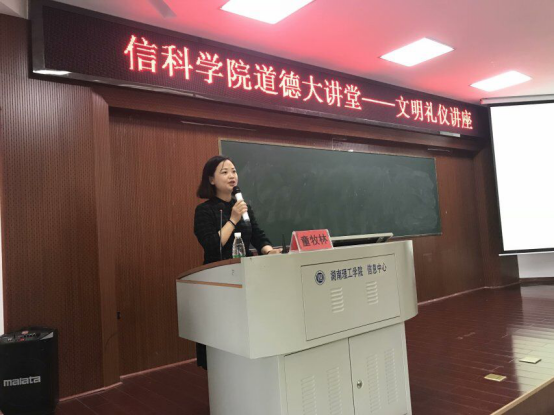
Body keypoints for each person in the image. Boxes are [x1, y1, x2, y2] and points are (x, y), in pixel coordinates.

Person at [193, 155, 282, 369]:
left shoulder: (242, 207)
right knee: (222, 331)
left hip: (246, 276)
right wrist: (233, 219)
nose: (231, 176)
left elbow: (257, 235)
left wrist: (269, 250)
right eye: (224, 172)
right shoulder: (204, 211)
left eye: (233, 171)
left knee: (245, 329)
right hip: (218, 279)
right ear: (211, 180)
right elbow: (212, 245)